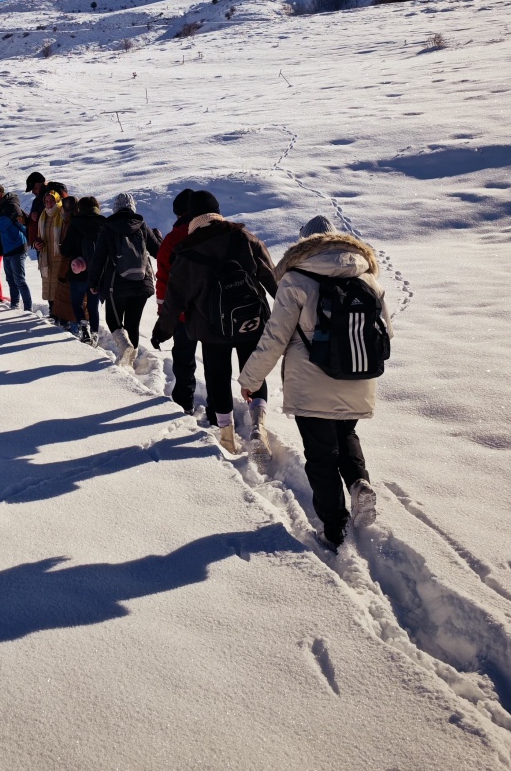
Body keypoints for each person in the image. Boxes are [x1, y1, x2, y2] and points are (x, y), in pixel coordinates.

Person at [236, 215, 391, 550]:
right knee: (346, 433)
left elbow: (275, 337)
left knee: (320, 454)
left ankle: (334, 530)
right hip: (358, 375)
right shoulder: (367, 276)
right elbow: (386, 334)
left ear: (303, 243)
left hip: (311, 381)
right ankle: (359, 483)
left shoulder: (295, 279)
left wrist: (250, 378)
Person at [151, 190, 276, 455]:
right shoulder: (245, 237)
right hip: (251, 322)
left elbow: (174, 301)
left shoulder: (185, 252)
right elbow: (273, 279)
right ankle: (258, 426)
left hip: (212, 330)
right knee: (253, 373)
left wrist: (162, 331)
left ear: (192, 217)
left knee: (217, 378)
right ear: (218, 212)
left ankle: (228, 438)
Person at [89, 192, 161, 366]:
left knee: (113, 320)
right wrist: (158, 236)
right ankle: (130, 361)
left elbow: (98, 258)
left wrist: (93, 282)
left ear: (115, 209)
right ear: (132, 207)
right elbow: (158, 251)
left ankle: (124, 345)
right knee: (133, 323)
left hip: (116, 285)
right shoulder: (141, 225)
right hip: (142, 283)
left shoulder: (108, 227)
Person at [155, 189, 199, 412]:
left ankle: (185, 403)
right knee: (216, 364)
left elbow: (163, 278)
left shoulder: (173, 239)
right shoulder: (218, 231)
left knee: (184, 359)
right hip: (213, 312)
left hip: (183, 313)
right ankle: (220, 413)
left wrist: (163, 314)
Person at [62, 196, 104, 343]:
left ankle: (83, 326)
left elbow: (65, 251)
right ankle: (94, 334)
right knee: (93, 307)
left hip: (77, 271)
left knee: (77, 303)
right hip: (97, 272)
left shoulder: (75, 224)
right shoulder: (103, 223)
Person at [0, 185, 33, 310]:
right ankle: (14, 305)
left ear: (0, 194)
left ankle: (27, 308)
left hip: (17, 247)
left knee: (19, 280)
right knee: (11, 280)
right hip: (8, 248)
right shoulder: (1, 207)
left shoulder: (11, 207)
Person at [24, 171, 47, 252]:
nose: (33, 192)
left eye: (34, 188)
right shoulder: (36, 201)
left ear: (40, 184)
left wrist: (39, 215)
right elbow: (33, 221)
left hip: (47, 244)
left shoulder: (50, 197)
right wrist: (25, 220)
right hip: (38, 244)